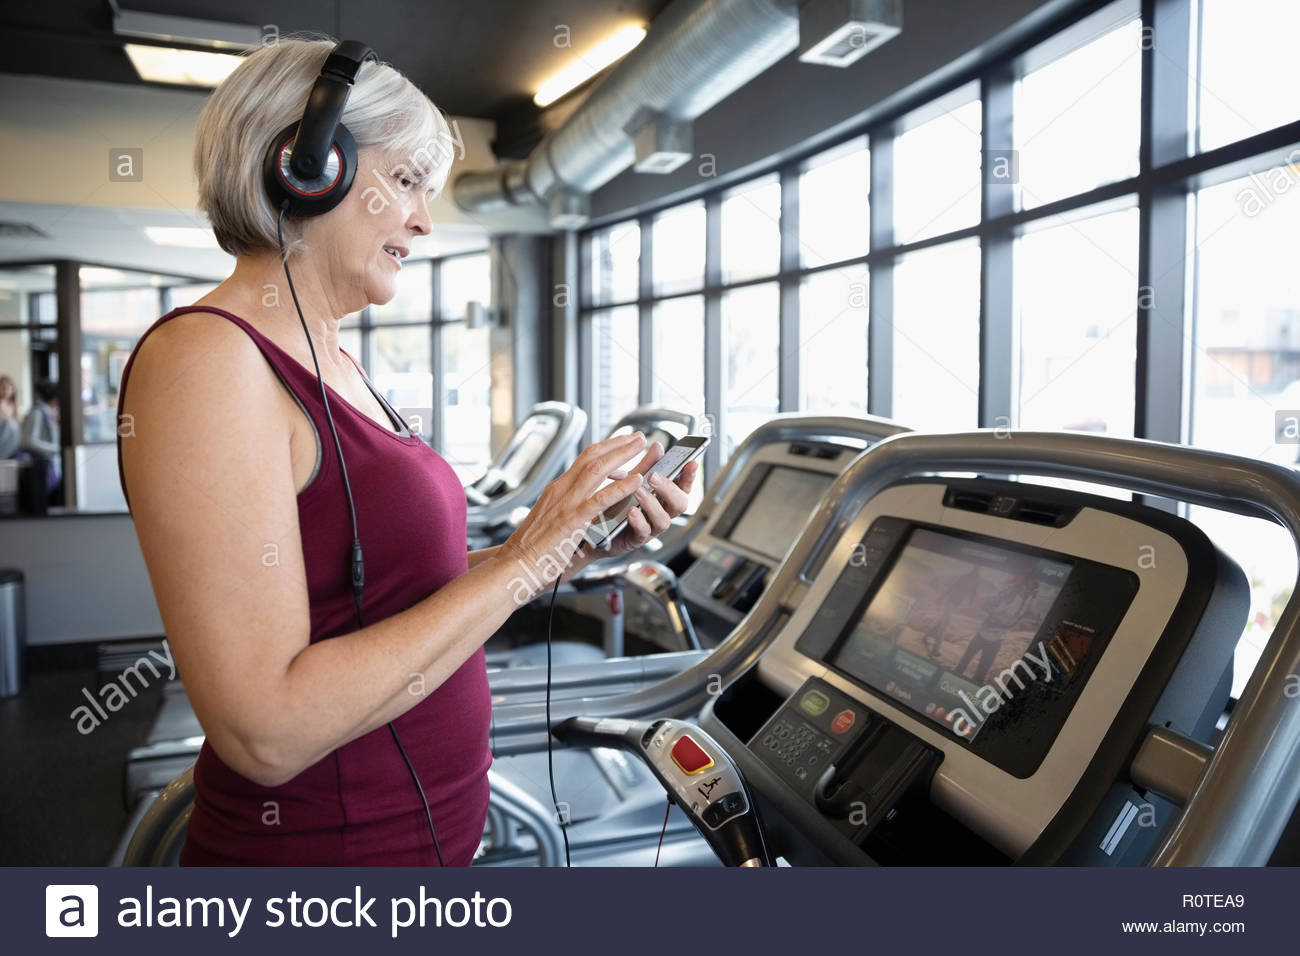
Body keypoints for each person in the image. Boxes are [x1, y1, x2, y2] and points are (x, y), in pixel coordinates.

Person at [116, 38, 698, 866]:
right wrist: (524, 561)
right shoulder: (207, 361)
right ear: (310, 167)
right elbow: (265, 731)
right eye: (407, 182)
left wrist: (559, 547)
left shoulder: (342, 361)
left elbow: (385, 592)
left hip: (428, 845)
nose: (425, 219)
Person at [20, 379, 61, 502]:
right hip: (40, 468)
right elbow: (28, 441)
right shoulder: (38, 412)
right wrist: (55, 448)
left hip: (48, 466)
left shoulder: (49, 412)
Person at [0, 375, 19, 459]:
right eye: (3, 387)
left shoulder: (15, 406)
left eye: (9, 388)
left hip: (13, 444)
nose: (6, 391)